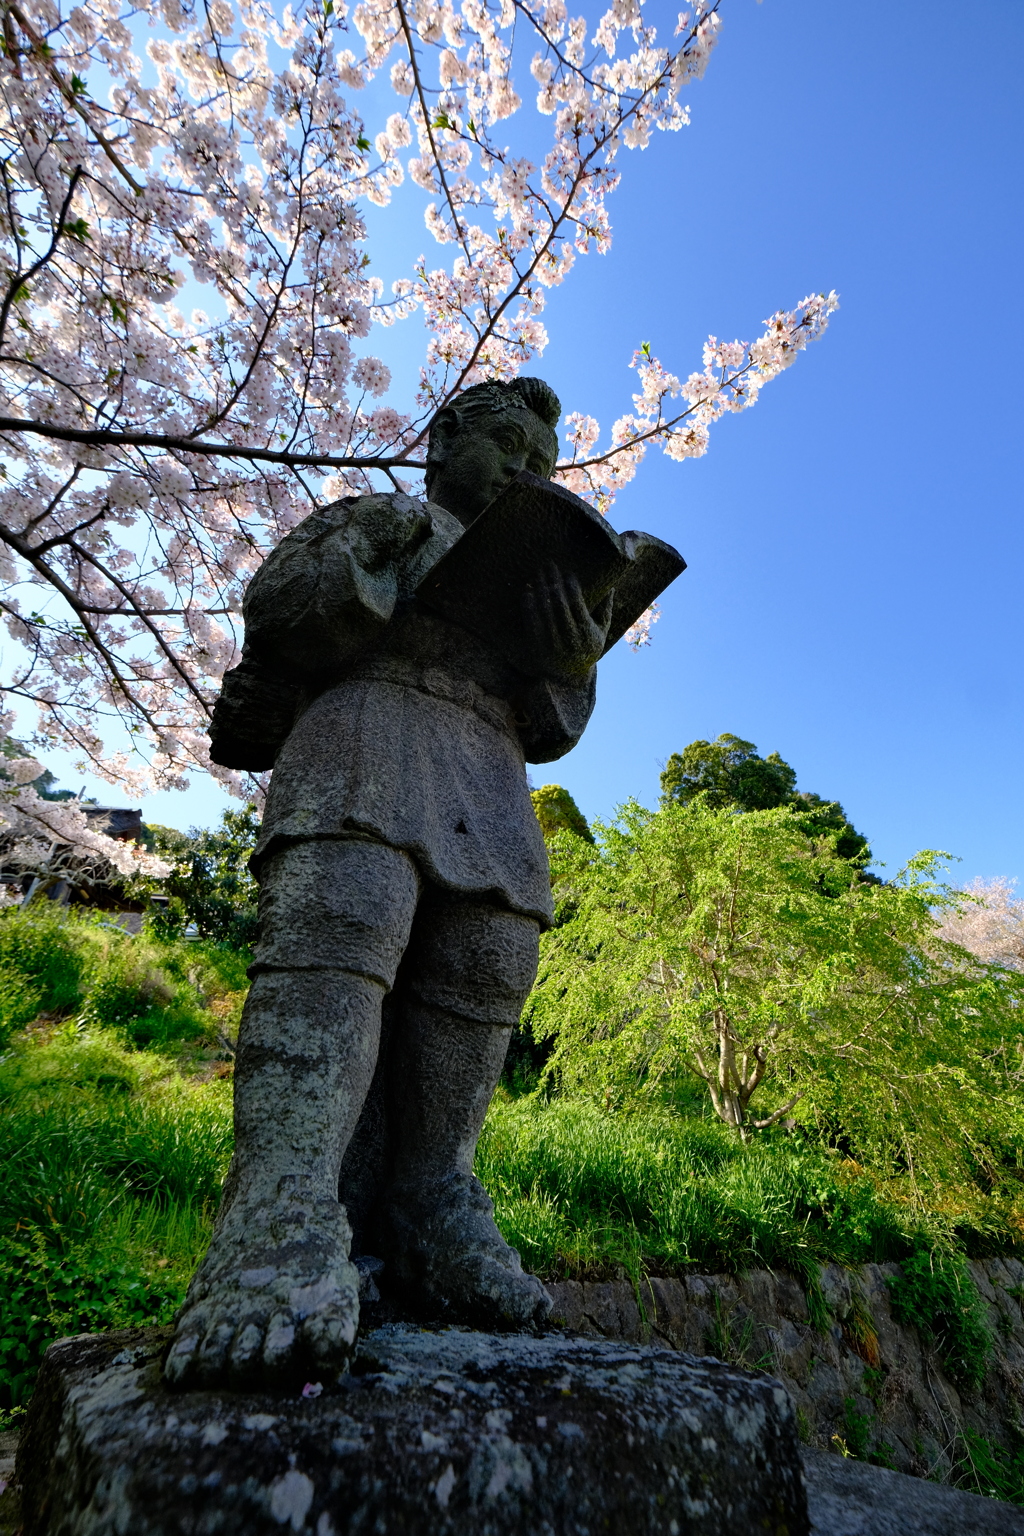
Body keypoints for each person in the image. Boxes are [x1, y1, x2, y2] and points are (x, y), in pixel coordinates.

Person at [164, 377, 613, 1389]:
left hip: (489, 761)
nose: (525, 475)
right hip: (370, 721)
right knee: (344, 917)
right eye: (507, 448)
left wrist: (569, 655)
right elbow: (283, 603)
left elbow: (556, 725)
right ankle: (278, 1212)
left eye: (543, 467)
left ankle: (435, 1196)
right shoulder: (391, 519)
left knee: (492, 954)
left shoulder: (531, 572)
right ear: (442, 439)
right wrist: (371, 577)